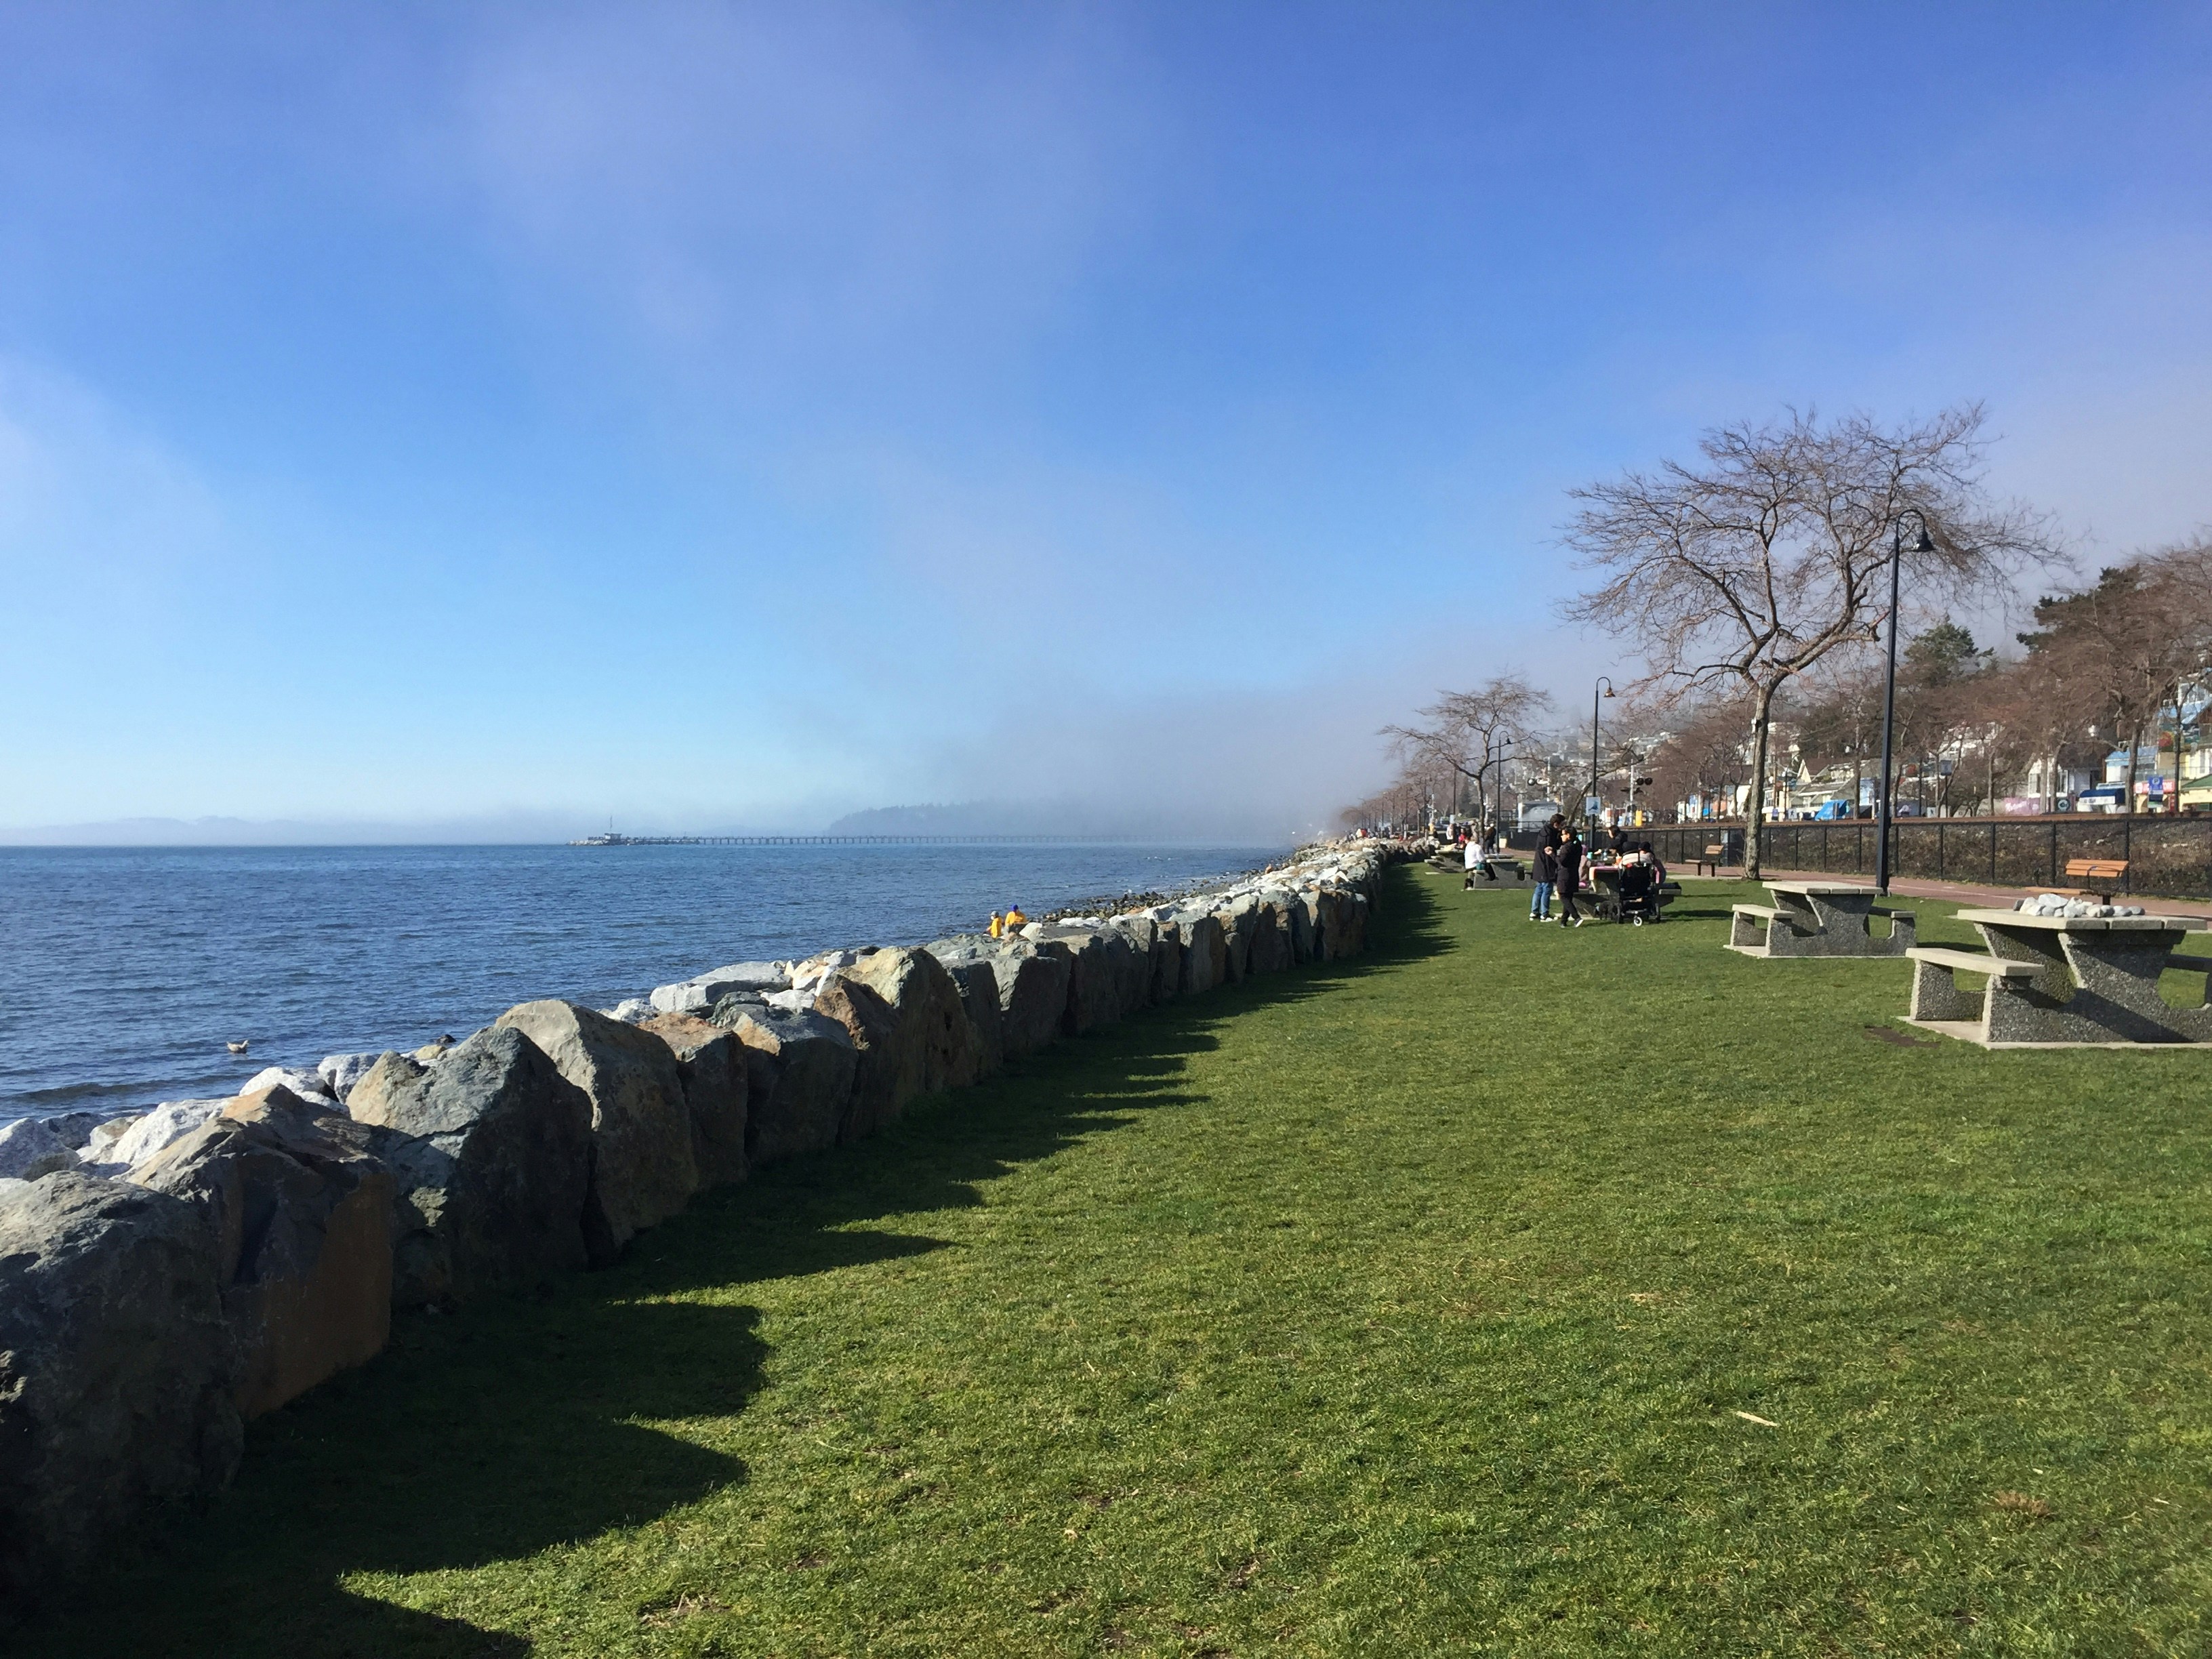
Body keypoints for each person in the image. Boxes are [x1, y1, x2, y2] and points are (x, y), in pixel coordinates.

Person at [1555, 827, 1586, 927]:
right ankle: (1563, 921)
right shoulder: (1577, 845)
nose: (1561, 836)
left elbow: (1561, 862)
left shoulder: (1567, 848)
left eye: (1563, 834)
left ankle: (1577, 917)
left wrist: (1552, 855)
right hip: (1574, 874)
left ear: (1568, 835)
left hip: (1565, 875)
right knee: (1568, 898)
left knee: (1563, 896)